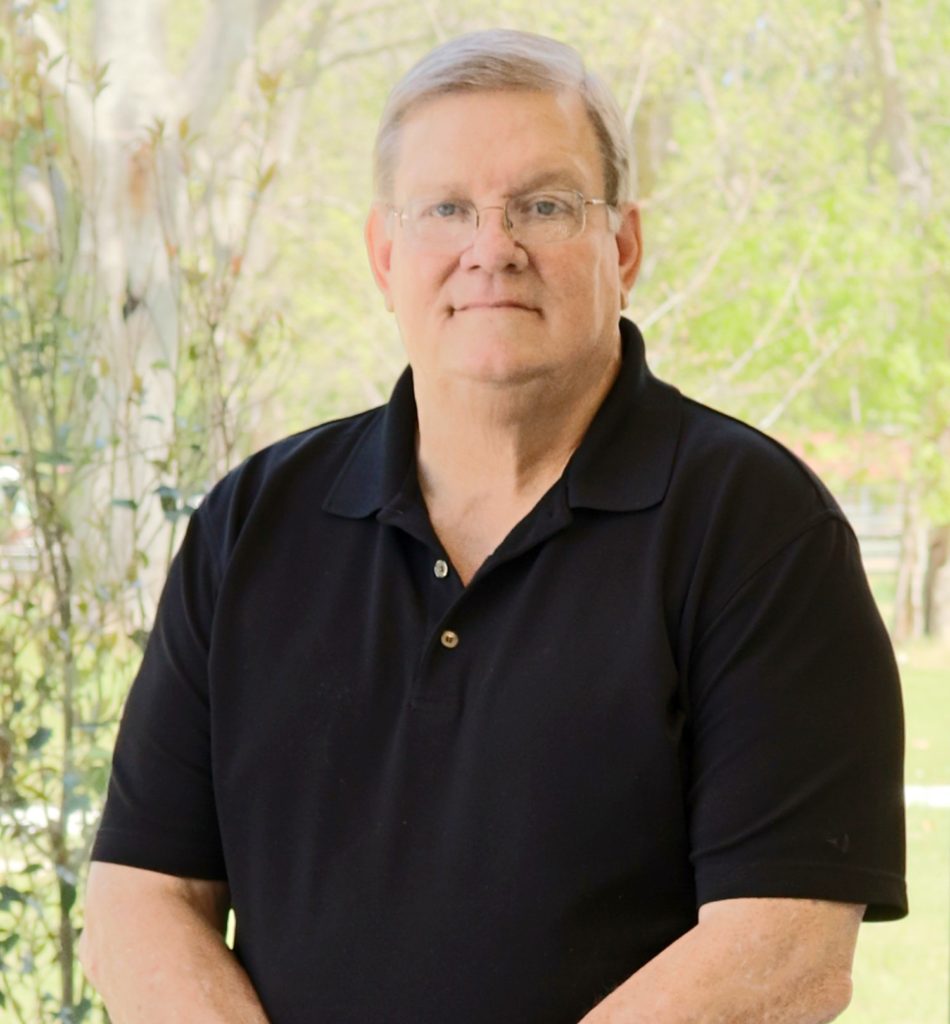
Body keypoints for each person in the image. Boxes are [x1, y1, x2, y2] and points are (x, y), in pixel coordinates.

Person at [79, 29, 906, 1024]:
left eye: (543, 205)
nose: (491, 247)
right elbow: (141, 897)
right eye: (446, 209)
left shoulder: (758, 530)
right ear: (386, 255)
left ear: (623, 246)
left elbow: (782, 952)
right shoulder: (251, 522)